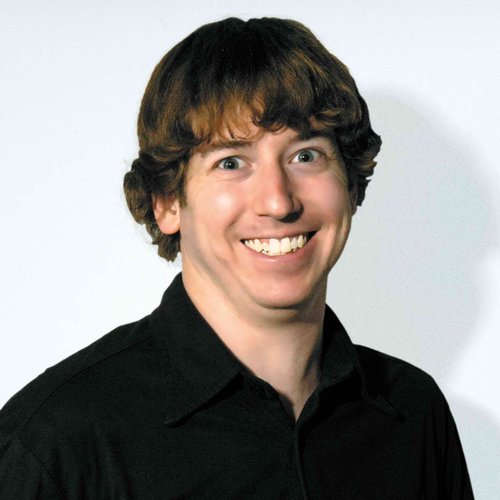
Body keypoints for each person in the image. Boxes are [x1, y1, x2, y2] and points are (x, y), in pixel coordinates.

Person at [0, 17, 474, 499]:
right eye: (231, 162)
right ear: (167, 202)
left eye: (306, 155)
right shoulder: (57, 443)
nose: (278, 202)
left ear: (350, 185)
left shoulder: (414, 414)